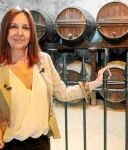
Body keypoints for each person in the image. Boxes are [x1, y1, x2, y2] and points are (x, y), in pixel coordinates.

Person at [0, 6, 110, 150]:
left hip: (41, 143)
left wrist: (95, 83)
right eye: (13, 26)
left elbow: (63, 93)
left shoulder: (43, 61)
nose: (20, 33)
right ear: (5, 31)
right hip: (9, 145)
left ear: (32, 33)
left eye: (26, 28)